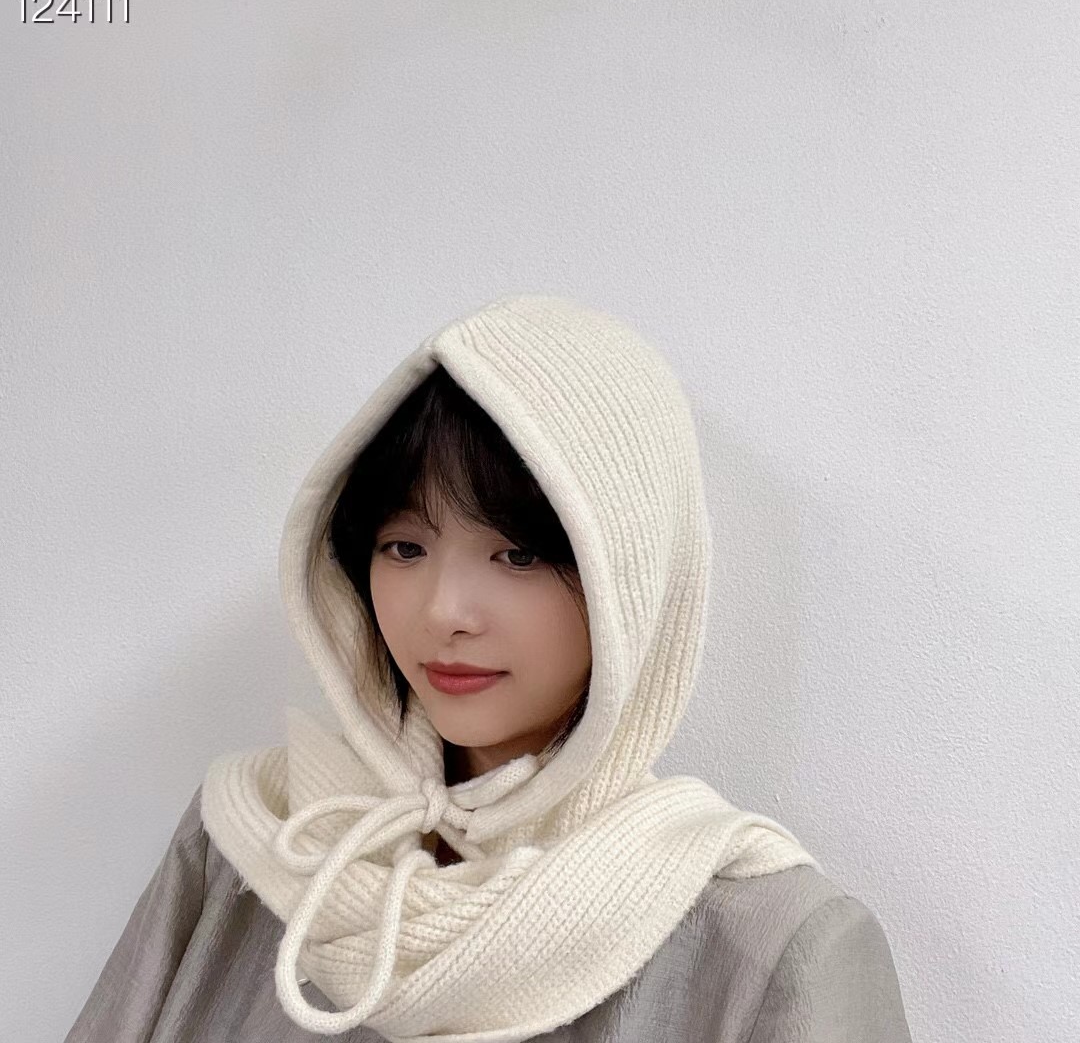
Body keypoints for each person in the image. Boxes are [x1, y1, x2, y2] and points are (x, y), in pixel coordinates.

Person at [66, 294, 913, 1042]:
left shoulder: (770, 951)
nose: (443, 612)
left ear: (631, 580)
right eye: (404, 547)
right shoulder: (258, 849)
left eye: (517, 554)